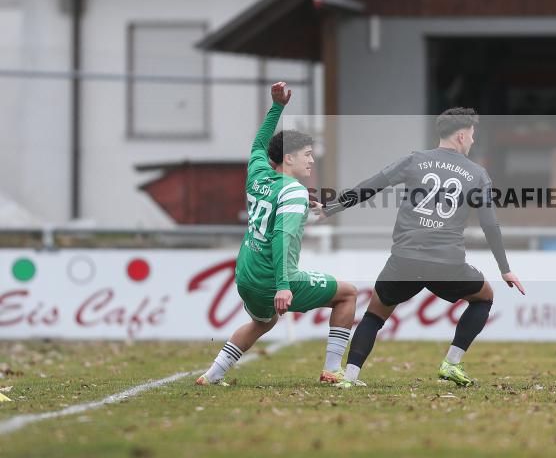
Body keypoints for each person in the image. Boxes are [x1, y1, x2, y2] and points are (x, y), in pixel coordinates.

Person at [319, 107, 525, 387]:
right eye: (472, 135)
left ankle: (350, 376)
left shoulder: (414, 160)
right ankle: (451, 363)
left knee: (374, 315)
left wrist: (330, 208)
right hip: (447, 263)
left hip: (405, 259)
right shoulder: (477, 174)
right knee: (484, 297)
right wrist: (505, 268)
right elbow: (490, 224)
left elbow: (371, 186)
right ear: (461, 136)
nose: (473, 140)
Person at [197, 82, 362, 388]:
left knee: (264, 321)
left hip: (245, 275)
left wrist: (277, 107)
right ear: (288, 158)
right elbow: (281, 238)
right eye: (307, 155)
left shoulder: (258, 173)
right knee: (348, 293)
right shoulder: (294, 191)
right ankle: (332, 370)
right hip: (272, 279)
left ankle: (212, 375)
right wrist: (283, 287)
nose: (311, 161)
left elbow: (258, 145)